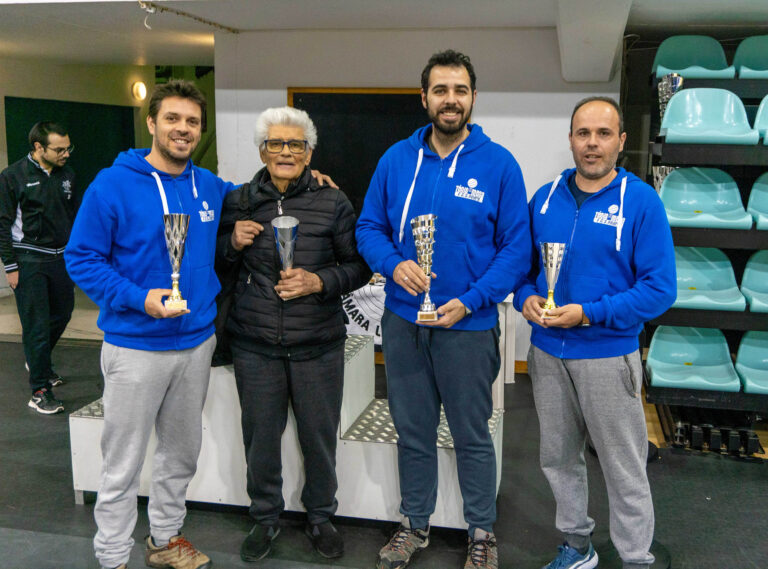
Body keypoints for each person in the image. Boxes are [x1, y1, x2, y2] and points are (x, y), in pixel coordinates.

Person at [356, 50, 531, 569]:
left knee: (472, 434)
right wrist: (393, 265)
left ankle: (482, 532)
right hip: (404, 322)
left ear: (473, 97)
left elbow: (516, 249)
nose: (450, 100)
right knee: (412, 431)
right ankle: (414, 524)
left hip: (469, 326)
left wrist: (472, 300)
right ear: (424, 97)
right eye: (440, 90)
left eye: (459, 90)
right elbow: (369, 228)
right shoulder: (395, 160)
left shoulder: (499, 165)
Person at [65, 80, 231, 569]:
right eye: (173, 118)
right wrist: (139, 299)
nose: (183, 129)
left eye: (193, 122)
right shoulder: (111, 185)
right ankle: (113, 556)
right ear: (153, 122)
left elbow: (255, 198)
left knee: (180, 455)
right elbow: (81, 258)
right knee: (122, 463)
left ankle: (165, 540)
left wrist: (307, 175)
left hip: (196, 344)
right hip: (136, 346)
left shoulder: (208, 185)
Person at [514, 97, 676, 569]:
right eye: (583, 133)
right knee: (558, 459)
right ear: (570, 139)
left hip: (607, 355)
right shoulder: (544, 199)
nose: (592, 143)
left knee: (623, 466)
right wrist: (525, 297)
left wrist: (589, 314)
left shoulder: (641, 202)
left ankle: (635, 557)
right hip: (547, 353)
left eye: (603, 134)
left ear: (620, 142)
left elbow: (660, 290)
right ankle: (577, 546)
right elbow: (522, 270)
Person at [217, 106, 371, 562]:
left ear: (309, 152)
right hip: (255, 344)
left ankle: (320, 517)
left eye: (295, 144)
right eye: (276, 144)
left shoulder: (333, 201)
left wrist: (318, 281)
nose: (285, 152)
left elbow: (359, 267)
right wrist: (232, 243)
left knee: (319, 440)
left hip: (318, 344)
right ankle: (265, 517)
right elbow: (216, 264)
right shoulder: (238, 201)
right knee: (260, 439)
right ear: (262, 151)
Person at [0, 121, 76, 414]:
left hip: (60, 258)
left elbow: (71, 215)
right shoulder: (12, 176)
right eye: (59, 149)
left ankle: (37, 359)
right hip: (29, 260)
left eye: (68, 148)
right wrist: (10, 266)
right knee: (37, 327)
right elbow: (3, 224)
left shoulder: (67, 175)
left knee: (63, 314)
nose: (65, 154)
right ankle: (40, 391)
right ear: (38, 147)